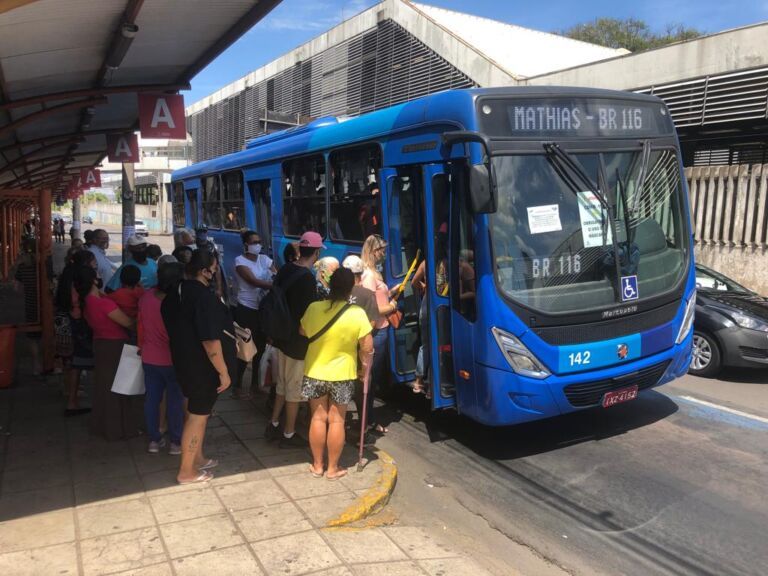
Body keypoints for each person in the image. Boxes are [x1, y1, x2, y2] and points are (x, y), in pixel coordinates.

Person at [162, 250, 236, 484]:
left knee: (195, 412)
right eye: (214, 268)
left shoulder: (177, 292)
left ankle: (198, 458)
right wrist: (223, 372)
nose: (216, 272)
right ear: (204, 271)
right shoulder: (204, 298)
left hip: (184, 360)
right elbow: (210, 341)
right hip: (201, 367)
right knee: (198, 416)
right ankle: (186, 471)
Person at [300, 268, 373, 479]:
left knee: (317, 418)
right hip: (342, 373)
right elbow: (367, 347)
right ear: (351, 288)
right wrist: (363, 369)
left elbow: (303, 331)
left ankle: (317, 465)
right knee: (337, 420)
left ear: (330, 285)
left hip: (315, 371)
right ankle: (333, 468)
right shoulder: (357, 313)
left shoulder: (314, 308)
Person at [265, 231, 322, 448]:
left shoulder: (286, 268)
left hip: (280, 337)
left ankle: (274, 422)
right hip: (296, 343)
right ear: (315, 253)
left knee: (281, 385)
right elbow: (306, 318)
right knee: (294, 391)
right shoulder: (307, 278)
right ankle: (288, 434)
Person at [75, 266, 139, 440]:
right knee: (119, 389)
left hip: (101, 344)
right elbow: (128, 323)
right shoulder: (103, 303)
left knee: (105, 387)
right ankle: (118, 428)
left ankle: (105, 426)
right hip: (115, 346)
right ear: (93, 280)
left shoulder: (89, 301)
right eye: (96, 273)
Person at [139, 262, 185, 455]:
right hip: (173, 359)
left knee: (152, 400)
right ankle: (175, 441)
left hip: (149, 357)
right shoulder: (178, 301)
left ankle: (154, 440)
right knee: (175, 401)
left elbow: (140, 326)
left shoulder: (146, 297)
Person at [360, 234, 400, 435]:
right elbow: (371, 307)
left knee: (373, 379)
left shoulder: (374, 273)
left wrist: (390, 293)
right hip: (376, 332)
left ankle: (369, 419)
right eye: (381, 250)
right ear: (373, 251)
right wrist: (391, 306)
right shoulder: (368, 275)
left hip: (382, 330)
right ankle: (367, 421)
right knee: (369, 379)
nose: (384, 253)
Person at [55, 250, 98, 414]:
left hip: (63, 319)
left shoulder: (68, 272)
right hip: (78, 322)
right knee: (85, 361)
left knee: (70, 361)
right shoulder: (83, 277)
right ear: (87, 262)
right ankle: (78, 400)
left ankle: (70, 396)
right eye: (93, 261)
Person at [233, 230, 274, 398]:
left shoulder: (265, 259)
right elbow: (253, 281)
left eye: (259, 242)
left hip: (262, 310)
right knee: (244, 348)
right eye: (254, 242)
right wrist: (275, 286)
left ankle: (255, 385)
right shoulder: (240, 261)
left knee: (260, 347)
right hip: (246, 308)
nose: (258, 245)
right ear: (245, 245)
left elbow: (275, 273)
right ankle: (236, 385)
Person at [12, 238, 42, 375]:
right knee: (50, 332)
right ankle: (54, 364)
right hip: (46, 303)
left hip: (30, 304)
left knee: (32, 336)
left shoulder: (22, 266)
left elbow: (17, 288)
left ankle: (37, 365)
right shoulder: (43, 264)